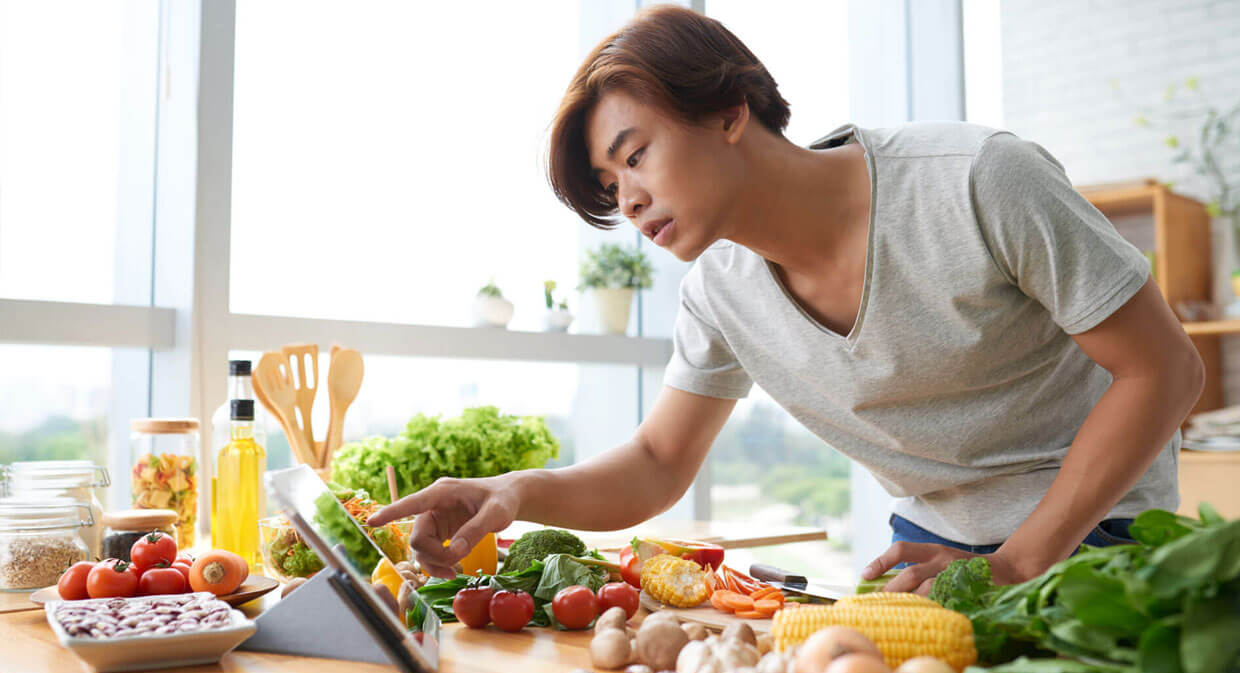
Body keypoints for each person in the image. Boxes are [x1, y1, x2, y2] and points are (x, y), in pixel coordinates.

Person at [370, 5, 1203, 593]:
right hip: (928, 553)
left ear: (730, 111)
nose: (626, 197)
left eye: (637, 154)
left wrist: (1017, 562)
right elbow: (658, 463)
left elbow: (1165, 371)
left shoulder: (979, 178)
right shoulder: (718, 294)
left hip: (1101, 537)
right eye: (608, 182)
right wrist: (520, 489)